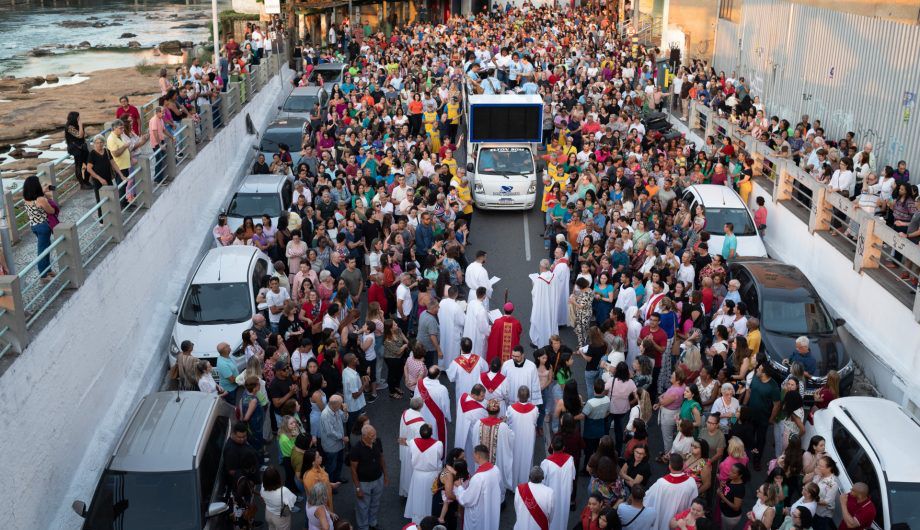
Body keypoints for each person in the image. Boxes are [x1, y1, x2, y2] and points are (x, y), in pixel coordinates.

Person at [349, 424, 388, 530]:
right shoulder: (356, 449)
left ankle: (372, 522)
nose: (375, 437)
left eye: (375, 434)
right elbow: (353, 469)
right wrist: (358, 488)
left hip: (378, 479)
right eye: (372, 436)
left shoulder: (377, 442)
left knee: (375, 503)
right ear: (364, 436)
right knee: (362, 506)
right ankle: (363, 527)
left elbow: (381, 458)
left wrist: (385, 475)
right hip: (363, 483)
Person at [645, 454, 699, 530]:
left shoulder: (661, 483)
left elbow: (648, 497)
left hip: (663, 521)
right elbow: (693, 502)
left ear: (669, 466)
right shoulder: (691, 482)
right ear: (683, 465)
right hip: (680, 522)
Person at [456, 444, 503, 530]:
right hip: (491, 508)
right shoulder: (496, 469)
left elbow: (467, 500)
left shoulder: (478, 477)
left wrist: (459, 487)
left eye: (474, 454)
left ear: (478, 456)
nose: (473, 456)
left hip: (479, 514)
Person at [744, 362, 781, 470]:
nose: (757, 370)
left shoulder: (773, 387)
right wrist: (744, 406)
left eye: (759, 369)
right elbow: (749, 392)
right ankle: (747, 455)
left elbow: (777, 404)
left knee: (760, 441)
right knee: (749, 436)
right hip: (751, 416)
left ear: (764, 373)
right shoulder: (755, 379)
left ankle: (757, 460)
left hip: (763, 419)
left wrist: (771, 418)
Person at [405, 423, 445, 523]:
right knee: (429, 499)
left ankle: (418, 520)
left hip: (418, 475)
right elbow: (440, 457)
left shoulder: (413, 442)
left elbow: (411, 454)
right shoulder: (438, 444)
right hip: (432, 475)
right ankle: (429, 520)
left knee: (418, 498)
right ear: (431, 434)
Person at [22, 176, 58, 281]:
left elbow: (36, 198)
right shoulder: (41, 199)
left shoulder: (26, 198)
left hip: (34, 226)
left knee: (45, 247)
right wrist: (47, 197)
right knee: (43, 250)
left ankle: (48, 270)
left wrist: (43, 191)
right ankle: (43, 275)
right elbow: (51, 211)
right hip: (43, 227)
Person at [506, 385, 539, 488]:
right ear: (528, 396)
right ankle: (525, 484)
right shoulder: (535, 409)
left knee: (515, 460)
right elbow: (535, 421)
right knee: (527, 459)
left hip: (515, 439)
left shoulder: (511, 409)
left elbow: (508, 421)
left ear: (517, 396)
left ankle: (514, 484)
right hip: (528, 439)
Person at [448, 337, 489, 418]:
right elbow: (486, 369)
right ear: (471, 347)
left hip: (462, 394)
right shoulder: (479, 359)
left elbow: (451, 378)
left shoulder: (456, 362)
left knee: (463, 417)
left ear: (461, 347)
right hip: (477, 393)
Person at [541, 435, 576, 530]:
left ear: (551, 446)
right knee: (563, 519)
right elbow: (573, 477)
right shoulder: (570, 460)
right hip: (565, 495)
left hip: (550, 497)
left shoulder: (546, 463)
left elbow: (542, 483)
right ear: (564, 447)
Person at [415, 366, 452, 443]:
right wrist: (447, 416)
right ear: (438, 375)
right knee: (436, 436)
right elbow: (445, 405)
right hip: (436, 417)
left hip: (422, 414)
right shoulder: (442, 389)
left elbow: (415, 398)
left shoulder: (420, 383)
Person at [399, 397, 426, 497]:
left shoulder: (406, 412)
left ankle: (405, 491)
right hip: (412, 449)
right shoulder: (420, 424)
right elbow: (419, 441)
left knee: (405, 471)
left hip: (405, 445)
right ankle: (412, 493)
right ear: (420, 406)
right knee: (412, 472)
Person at [502, 345, 544, 411]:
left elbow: (535, 384)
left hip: (526, 402)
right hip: (510, 401)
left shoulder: (531, 366)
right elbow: (502, 382)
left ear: (523, 355)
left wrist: (535, 403)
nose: (514, 358)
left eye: (517, 356)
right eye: (513, 356)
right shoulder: (506, 365)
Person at [530, 259, 559, 348]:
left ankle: (538, 341)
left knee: (541, 321)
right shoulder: (554, 276)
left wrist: (533, 283)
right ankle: (552, 339)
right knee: (551, 320)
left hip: (542, 306)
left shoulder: (539, 280)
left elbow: (534, 293)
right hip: (552, 304)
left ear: (541, 267)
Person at [514, 466, 555, 530]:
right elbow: (551, 514)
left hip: (522, 525)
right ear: (543, 478)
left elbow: (517, 508)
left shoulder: (519, 489)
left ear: (529, 477)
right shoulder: (549, 493)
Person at [319, 395, 348, 483]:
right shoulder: (325, 415)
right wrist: (342, 438)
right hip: (331, 446)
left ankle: (337, 478)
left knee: (339, 462)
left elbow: (345, 419)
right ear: (335, 405)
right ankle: (330, 484)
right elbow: (330, 432)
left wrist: (345, 411)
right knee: (331, 466)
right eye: (341, 404)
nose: (342, 405)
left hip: (339, 444)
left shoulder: (337, 409)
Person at [438, 286, 467, 370]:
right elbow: (462, 321)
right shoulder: (457, 307)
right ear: (456, 294)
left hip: (443, 329)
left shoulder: (442, 302)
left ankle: (442, 366)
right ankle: (451, 368)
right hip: (453, 332)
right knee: (452, 351)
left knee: (443, 346)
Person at [717, 463, 749, 530]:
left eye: (733, 472)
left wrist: (722, 497)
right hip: (724, 512)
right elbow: (727, 491)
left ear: (740, 476)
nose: (729, 473)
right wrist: (721, 486)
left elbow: (736, 507)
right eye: (730, 470)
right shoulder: (731, 479)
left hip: (730, 517)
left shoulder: (740, 489)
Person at [464, 286, 491, 356]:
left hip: (469, 331)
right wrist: (489, 329)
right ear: (484, 296)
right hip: (477, 335)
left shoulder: (471, 303)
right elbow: (483, 327)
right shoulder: (481, 310)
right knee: (477, 352)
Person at [551, 246, 572, 328]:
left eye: (556, 252)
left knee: (558, 305)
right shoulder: (561, 262)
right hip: (561, 287)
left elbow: (554, 278)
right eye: (555, 251)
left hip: (559, 288)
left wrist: (551, 272)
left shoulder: (561, 265)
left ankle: (559, 322)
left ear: (562, 254)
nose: (554, 253)